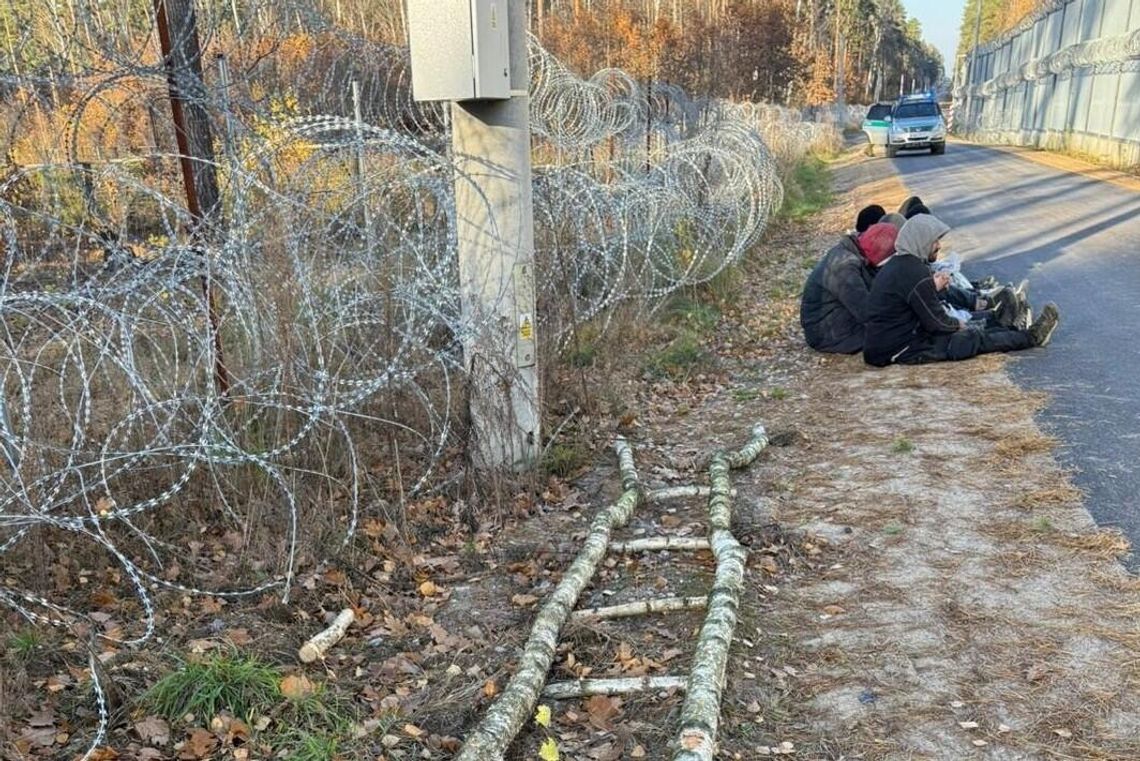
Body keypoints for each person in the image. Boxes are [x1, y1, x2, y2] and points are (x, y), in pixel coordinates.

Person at [863, 214, 1060, 366]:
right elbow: (938, 322)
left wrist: (943, 303)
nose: (938, 246)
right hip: (896, 350)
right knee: (969, 339)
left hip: (895, 342)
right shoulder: (913, 271)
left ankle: (1010, 327)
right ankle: (1031, 337)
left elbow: (919, 306)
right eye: (935, 241)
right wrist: (958, 324)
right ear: (921, 241)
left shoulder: (903, 265)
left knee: (969, 330)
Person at [800, 206, 893, 354]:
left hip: (836, 321)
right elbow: (866, 312)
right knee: (897, 335)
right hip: (828, 334)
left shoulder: (852, 251)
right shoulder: (844, 267)